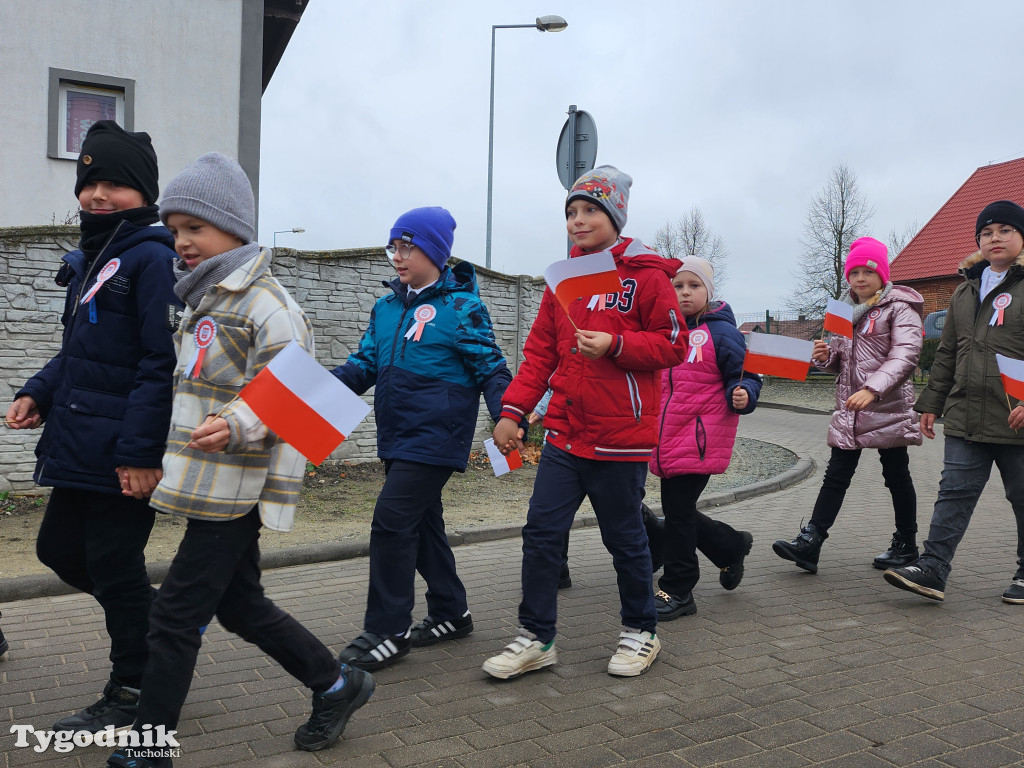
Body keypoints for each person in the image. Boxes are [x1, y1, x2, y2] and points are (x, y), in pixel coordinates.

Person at [105, 153, 373, 768]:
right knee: (241, 604)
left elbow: (293, 388)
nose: (181, 242)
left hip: (238, 486)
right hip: (208, 482)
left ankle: (149, 746)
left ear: (232, 225)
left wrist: (237, 423)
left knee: (174, 614)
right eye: (174, 230)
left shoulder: (268, 305)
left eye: (194, 228)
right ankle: (337, 684)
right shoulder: (204, 299)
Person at [5, 120, 180, 733]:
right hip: (80, 439)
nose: (98, 194)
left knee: (113, 565)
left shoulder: (153, 258)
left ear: (144, 192)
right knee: (57, 550)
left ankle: (134, 685)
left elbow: (162, 363)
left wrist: (141, 453)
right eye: (89, 182)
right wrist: (38, 392)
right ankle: (158, 629)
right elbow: (80, 351)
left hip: (121, 452)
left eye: (114, 183)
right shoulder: (95, 258)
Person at [483, 166, 687, 680]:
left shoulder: (648, 277)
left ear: (616, 216)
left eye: (590, 210)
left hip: (620, 439)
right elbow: (537, 356)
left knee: (624, 540)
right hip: (563, 434)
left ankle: (642, 632)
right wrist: (513, 411)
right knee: (541, 534)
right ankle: (536, 638)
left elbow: (674, 345)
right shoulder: (562, 281)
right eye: (571, 212)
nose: (578, 220)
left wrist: (616, 345)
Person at [330, 206, 513, 670]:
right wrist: (316, 389)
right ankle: (452, 612)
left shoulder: (462, 306)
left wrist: (508, 415)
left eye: (407, 246)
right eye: (394, 246)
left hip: (437, 435)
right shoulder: (386, 307)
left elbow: (491, 368)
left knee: (391, 522)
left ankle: (387, 631)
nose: (397, 256)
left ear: (435, 251)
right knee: (423, 525)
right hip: (397, 433)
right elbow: (364, 364)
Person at [885, 201, 1024, 603]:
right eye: (986, 233)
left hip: (1016, 417)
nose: (994, 238)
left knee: (1022, 497)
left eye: (1004, 230)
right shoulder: (965, 292)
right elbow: (947, 354)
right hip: (966, 413)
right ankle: (933, 568)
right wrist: (932, 403)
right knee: (954, 492)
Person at [774, 237, 923, 573]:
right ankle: (811, 541)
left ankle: (906, 543)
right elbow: (841, 360)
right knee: (836, 474)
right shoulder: (842, 312)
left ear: (882, 275)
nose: (859, 278)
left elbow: (906, 355)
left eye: (867, 271)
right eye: (853, 272)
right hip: (851, 409)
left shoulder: (899, 307)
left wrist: (873, 389)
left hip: (887, 407)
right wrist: (825, 358)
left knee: (896, 474)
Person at [649, 257, 761, 620]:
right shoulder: (664, 329)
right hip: (666, 438)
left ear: (708, 291)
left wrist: (743, 391)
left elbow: (747, 376)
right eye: (678, 286)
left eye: (693, 285)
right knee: (680, 510)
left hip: (700, 437)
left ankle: (679, 587)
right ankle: (730, 546)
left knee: (678, 512)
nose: (684, 292)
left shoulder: (722, 332)